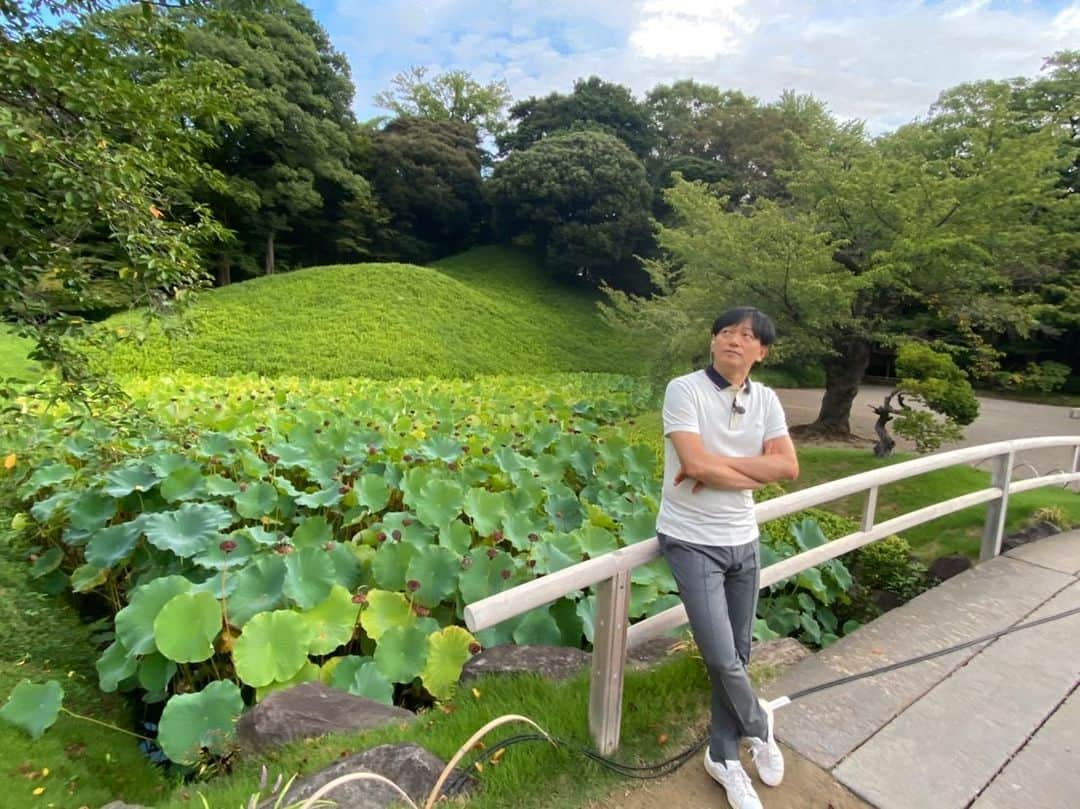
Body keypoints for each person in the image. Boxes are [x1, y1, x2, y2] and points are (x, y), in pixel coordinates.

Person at [657, 306, 798, 809]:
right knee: (720, 656)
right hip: (691, 539)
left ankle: (724, 757)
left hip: (744, 538)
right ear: (714, 341)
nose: (734, 340)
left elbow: (789, 467)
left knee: (737, 656)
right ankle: (760, 724)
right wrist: (753, 471)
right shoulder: (685, 389)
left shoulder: (767, 400)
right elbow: (692, 463)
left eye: (747, 335)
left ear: (762, 351)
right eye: (726, 332)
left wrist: (720, 469)